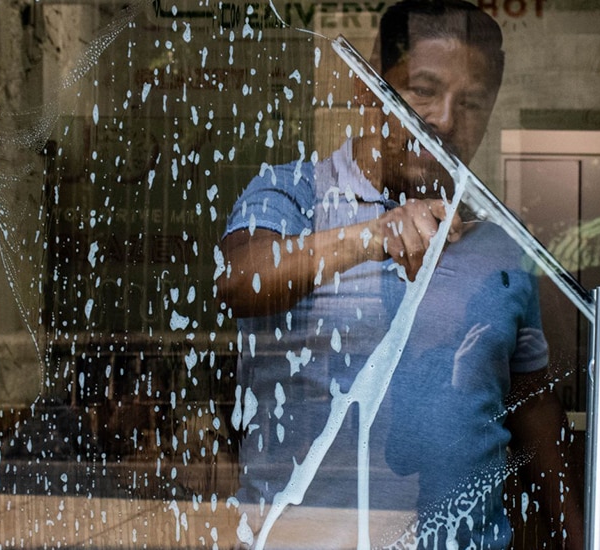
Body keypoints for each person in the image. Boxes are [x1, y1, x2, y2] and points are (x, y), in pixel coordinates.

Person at [217, 1, 580, 548]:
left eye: (472, 103)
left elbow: (534, 412)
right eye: (423, 90)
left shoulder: (503, 244)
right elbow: (241, 279)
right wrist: (372, 236)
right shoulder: (296, 192)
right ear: (370, 87)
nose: (445, 120)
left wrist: (584, 539)